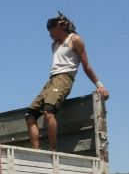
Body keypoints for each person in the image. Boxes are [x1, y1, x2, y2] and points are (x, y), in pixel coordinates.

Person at [26, 11, 109, 151]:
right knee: (30, 115)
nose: (49, 35)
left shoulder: (75, 40)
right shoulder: (54, 45)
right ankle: (36, 151)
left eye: (50, 31)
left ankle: (53, 150)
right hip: (51, 79)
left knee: (48, 112)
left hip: (64, 78)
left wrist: (100, 86)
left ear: (58, 27)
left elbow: (86, 66)